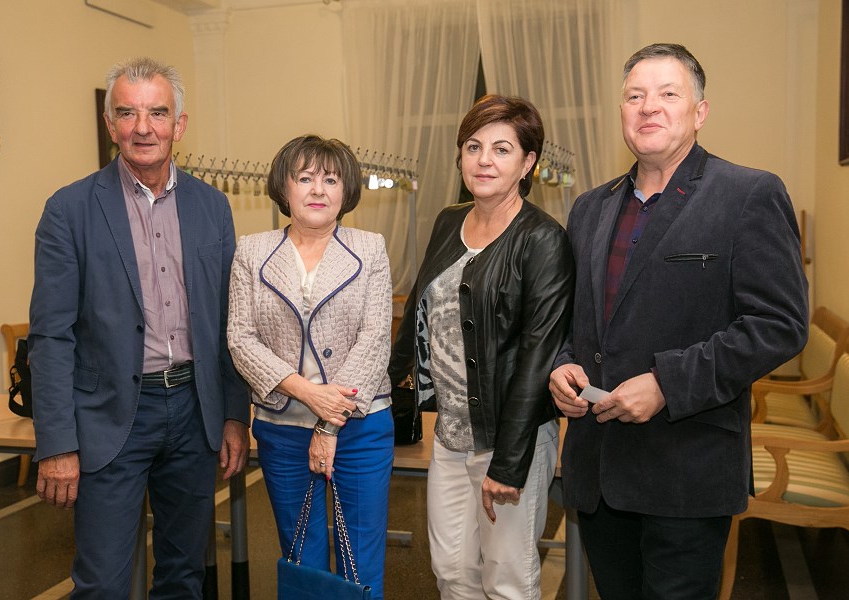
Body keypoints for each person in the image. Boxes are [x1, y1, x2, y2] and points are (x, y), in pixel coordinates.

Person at [548, 43, 809, 599]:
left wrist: (667, 383)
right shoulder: (591, 207)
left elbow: (779, 324)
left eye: (668, 94)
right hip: (599, 469)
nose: (649, 107)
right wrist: (563, 365)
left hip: (687, 468)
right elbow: (573, 321)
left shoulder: (748, 194)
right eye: (635, 96)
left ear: (700, 112)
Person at [28, 57, 250, 598]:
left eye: (158, 113)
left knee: (183, 576)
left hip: (194, 413)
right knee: (102, 584)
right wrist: (56, 444)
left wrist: (232, 413)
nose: (143, 127)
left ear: (180, 124)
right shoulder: (69, 210)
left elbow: (229, 321)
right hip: (110, 418)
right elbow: (51, 337)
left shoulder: (213, 207)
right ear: (111, 125)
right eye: (128, 113)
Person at [389, 94, 575, 599]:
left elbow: (538, 356)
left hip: (508, 438)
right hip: (450, 436)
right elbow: (420, 313)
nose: (484, 160)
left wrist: (509, 462)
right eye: (473, 147)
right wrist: (382, 385)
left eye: (501, 149)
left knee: (507, 580)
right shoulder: (448, 220)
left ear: (527, 162)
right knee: (451, 571)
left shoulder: (543, 239)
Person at [227, 134, 394, 599]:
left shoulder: (370, 248)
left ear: (346, 190)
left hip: (359, 426)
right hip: (282, 427)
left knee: (360, 563)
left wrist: (328, 422)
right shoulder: (251, 251)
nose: (318, 189)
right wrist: (306, 391)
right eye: (305, 178)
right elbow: (240, 338)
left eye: (331, 180)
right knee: (302, 558)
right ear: (284, 187)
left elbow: (375, 339)